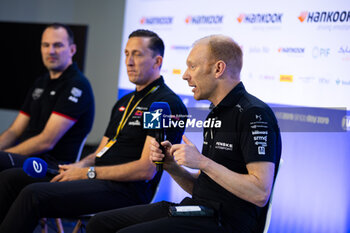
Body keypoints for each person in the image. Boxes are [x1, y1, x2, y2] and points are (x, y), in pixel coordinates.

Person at [86, 35, 282, 233]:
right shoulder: (217, 112)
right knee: (100, 224)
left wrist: (203, 162)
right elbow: (204, 189)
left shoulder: (254, 113)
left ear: (218, 69)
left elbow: (259, 192)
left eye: (192, 67)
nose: (185, 75)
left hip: (226, 223)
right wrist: (172, 166)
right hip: (198, 210)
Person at [0, 29, 187, 233]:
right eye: (126, 53)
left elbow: (145, 169)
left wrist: (87, 173)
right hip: (96, 177)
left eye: (138, 54)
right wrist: (77, 167)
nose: (129, 61)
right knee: (10, 179)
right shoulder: (125, 102)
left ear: (157, 61)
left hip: (125, 190)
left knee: (33, 194)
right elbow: (101, 151)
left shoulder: (162, 104)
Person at [0, 23, 95, 172]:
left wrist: (6, 156)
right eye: (46, 45)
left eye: (57, 45)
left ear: (72, 50)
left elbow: (46, 141)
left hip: (52, 166)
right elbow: (14, 131)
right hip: (27, 159)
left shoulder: (77, 85)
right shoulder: (41, 82)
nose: (50, 51)